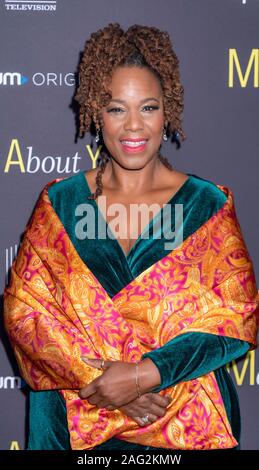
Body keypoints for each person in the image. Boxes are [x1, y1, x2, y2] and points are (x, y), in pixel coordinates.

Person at [3, 22, 259, 451]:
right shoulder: (61, 202)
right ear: (94, 112)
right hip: (74, 417)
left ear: (168, 110)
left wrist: (144, 375)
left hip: (185, 417)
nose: (134, 126)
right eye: (116, 108)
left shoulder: (207, 205)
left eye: (149, 107)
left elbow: (237, 316)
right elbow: (23, 314)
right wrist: (105, 385)